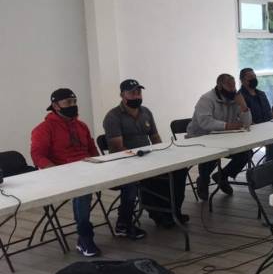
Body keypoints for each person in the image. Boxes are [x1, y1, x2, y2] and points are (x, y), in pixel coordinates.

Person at [102, 79, 188, 236]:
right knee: (143, 178)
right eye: (132, 93)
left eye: (139, 92)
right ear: (122, 95)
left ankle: (173, 211)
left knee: (179, 169)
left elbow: (155, 137)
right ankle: (156, 215)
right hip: (125, 162)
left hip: (148, 157)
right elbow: (117, 148)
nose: (136, 96)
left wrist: (163, 156)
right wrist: (140, 160)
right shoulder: (113, 116)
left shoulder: (146, 112)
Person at [31, 88, 102, 256]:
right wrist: (55, 171)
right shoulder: (44, 128)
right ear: (56, 106)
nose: (73, 105)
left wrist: (100, 165)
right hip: (63, 174)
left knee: (128, 180)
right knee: (83, 191)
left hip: (87, 170)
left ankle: (125, 222)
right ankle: (85, 237)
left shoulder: (81, 125)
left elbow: (92, 149)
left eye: (75, 101)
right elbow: (37, 155)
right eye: (68, 102)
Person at [186, 74, 253, 200]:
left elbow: (247, 123)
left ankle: (222, 176)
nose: (233, 89)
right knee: (213, 154)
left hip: (224, 137)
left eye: (234, 86)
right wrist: (228, 126)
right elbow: (205, 122)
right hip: (200, 137)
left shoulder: (235, 98)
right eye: (229, 86)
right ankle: (203, 181)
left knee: (246, 153)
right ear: (219, 86)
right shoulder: (206, 99)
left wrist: (244, 107)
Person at [239, 67, 273, 161]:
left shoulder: (261, 93)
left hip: (268, 127)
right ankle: (272, 166)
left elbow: (270, 112)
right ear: (242, 80)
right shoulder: (240, 96)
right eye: (250, 77)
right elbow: (243, 119)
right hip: (253, 131)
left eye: (254, 76)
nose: (254, 79)